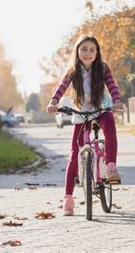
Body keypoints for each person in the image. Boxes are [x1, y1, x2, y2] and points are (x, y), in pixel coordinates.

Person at [46, 35, 123, 216]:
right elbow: (61, 86)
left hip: (102, 107)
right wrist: (53, 101)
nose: (88, 53)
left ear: (97, 53)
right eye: (84, 49)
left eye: (92, 50)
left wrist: (117, 100)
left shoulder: (102, 68)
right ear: (77, 51)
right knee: (74, 152)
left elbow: (112, 86)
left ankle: (111, 167)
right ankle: (68, 198)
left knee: (110, 127)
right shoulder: (72, 71)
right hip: (81, 111)